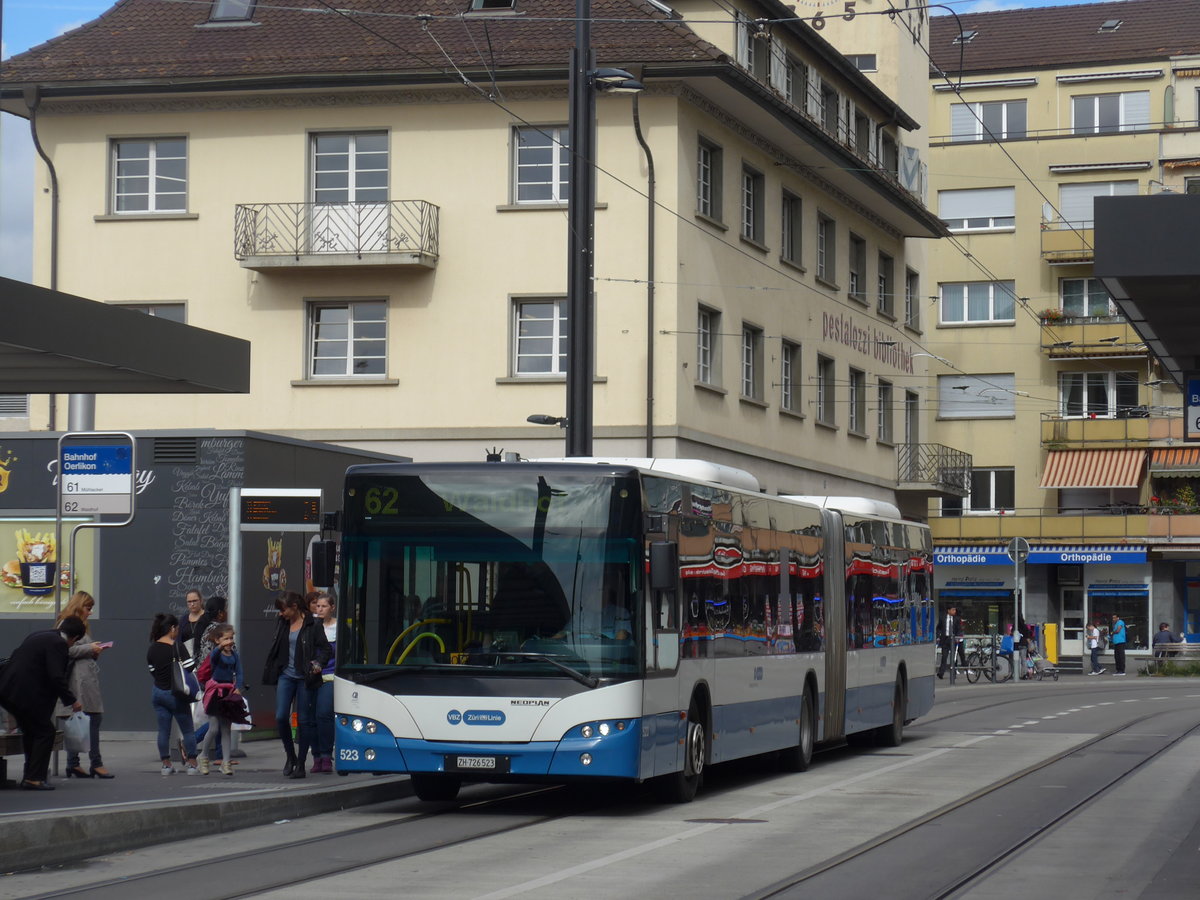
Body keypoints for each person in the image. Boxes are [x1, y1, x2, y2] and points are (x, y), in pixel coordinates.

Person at [0, 616, 85, 789]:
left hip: (7, 691)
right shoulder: (59, 644)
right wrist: (72, 700)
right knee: (46, 733)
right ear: (75, 637)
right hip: (25, 694)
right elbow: (56, 676)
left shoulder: (39, 635)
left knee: (32, 731)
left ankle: (30, 775)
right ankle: (34, 778)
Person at [262, 592, 331, 779]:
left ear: (294, 607)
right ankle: (290, 756)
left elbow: (326, 649)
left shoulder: (313, 624)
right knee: (281, 716)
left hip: (305, 677)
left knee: (304, 720)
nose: (281, 613)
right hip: (286, 675)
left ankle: (301, 763)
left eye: (283, 609)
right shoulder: (282, 622)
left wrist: (318, 664)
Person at [53, 591, 114, 778]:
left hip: (84, 680)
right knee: (91, 719)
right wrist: (90, 648)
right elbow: (64, 649)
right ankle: (95, 763)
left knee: (81, 720)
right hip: (77, 681)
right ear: (79, 607)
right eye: (88, 608)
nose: (90, 612)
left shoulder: (80, 625)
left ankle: (74, 763)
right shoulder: (66, 624)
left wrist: (94, 651)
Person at [147, 613, 199, 775]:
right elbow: (190, 668)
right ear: (172, 628)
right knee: (188, 730)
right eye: (177, 629)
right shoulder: (177, 647)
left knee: (163, 731)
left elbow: (152, 670)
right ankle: (192, 764)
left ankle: (166, 765)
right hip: (176, 694)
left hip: (158, 692)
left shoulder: (152, 648)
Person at [198, 623, 244, 776]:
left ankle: (226, 762)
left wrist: (239, 686)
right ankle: (203, 756)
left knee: (226, 729)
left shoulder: (234, 655)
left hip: (228, 692)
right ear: (217, 640)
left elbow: (239, 672)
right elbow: (213, 658)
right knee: (213, 728)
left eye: (231, 638)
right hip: (215, 693)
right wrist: (219, 647)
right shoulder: (216, 654)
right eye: (226, 639)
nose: (229, 642)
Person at [309, 591, 337, 773]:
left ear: (332, 608)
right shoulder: (310, 625)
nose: (319, 609)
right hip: (311, 677)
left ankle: (326, 755)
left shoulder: (339, 628)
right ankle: (316, 756)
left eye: (324, 606)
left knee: (324, 713)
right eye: (317, 606)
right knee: (310, 718)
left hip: (329, 676)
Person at [936, 604, 964, 679]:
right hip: (945, 639)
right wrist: (938, 636)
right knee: (944, 657)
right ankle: (941, 673)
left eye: (955, 610)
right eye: (953, 610)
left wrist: (958, 636)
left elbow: (959, 629)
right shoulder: (943, 618)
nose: (954, 611)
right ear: (948, 610)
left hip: (953, 640)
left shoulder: (957, 619)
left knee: (953, 657)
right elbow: (938, 628)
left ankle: (953, 673)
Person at [177, 588, 206, 661]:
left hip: (205, 659)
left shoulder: (208, 617)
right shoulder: (183, 620)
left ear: (201, 601)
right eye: (189, 602)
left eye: (195, 601)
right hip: (187, 659)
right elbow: (179, 640)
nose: (192, 604)